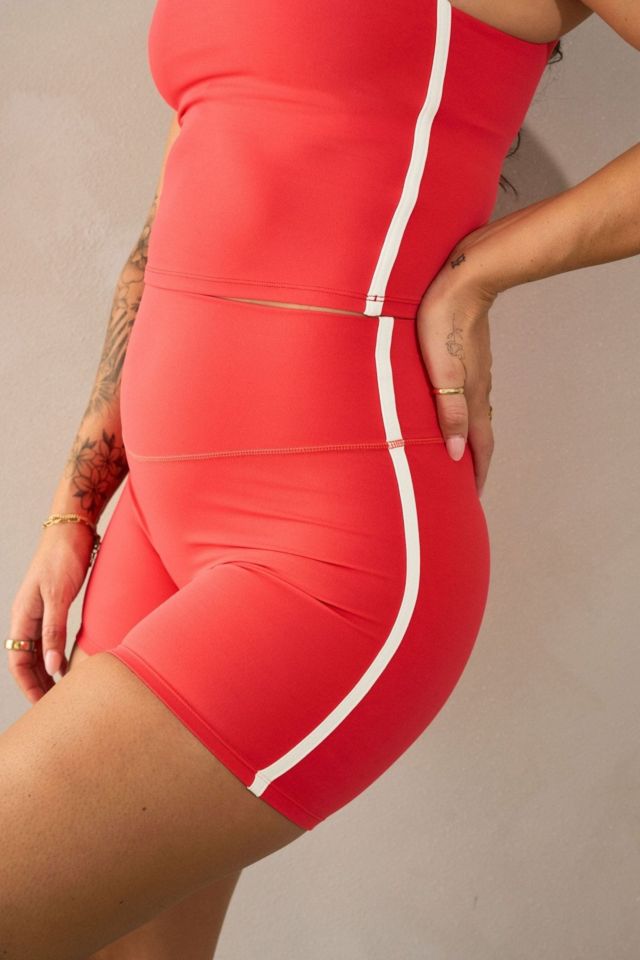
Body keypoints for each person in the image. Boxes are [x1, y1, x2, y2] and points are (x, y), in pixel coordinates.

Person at [3, 1, 639, 957]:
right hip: (153, 522)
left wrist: (481, 271)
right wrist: (76, 499)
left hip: (332, 555)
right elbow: (178, 198)